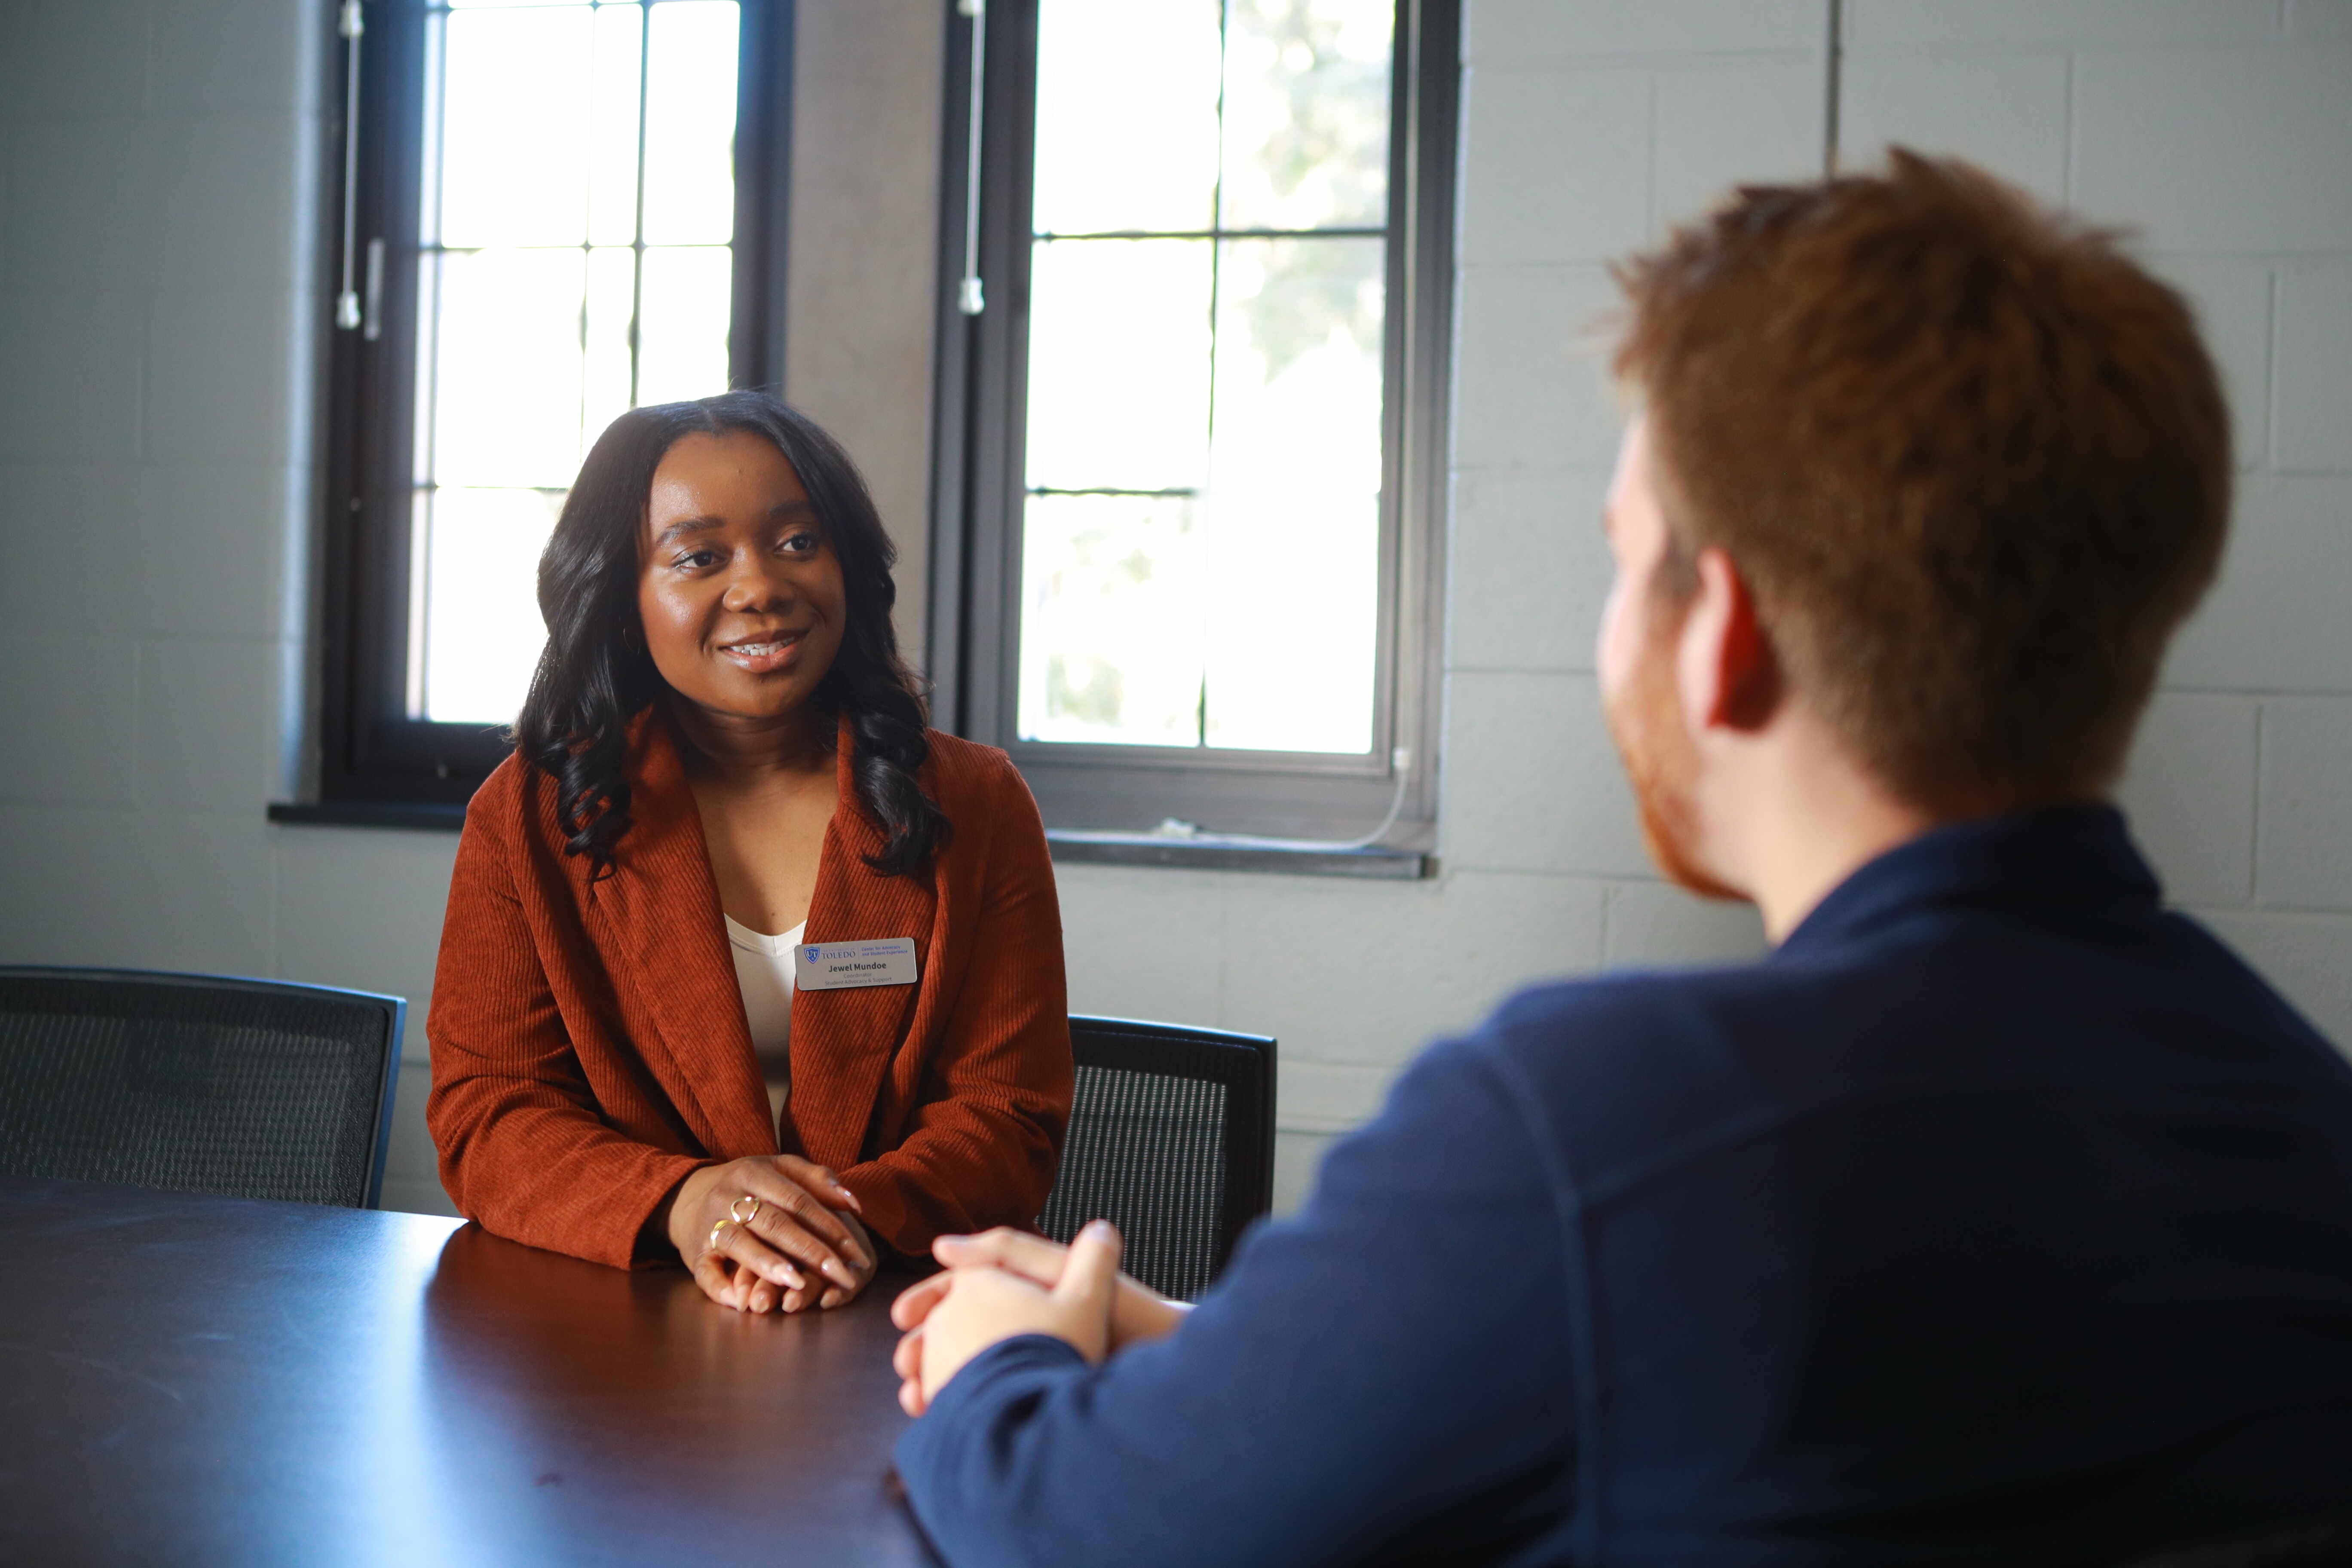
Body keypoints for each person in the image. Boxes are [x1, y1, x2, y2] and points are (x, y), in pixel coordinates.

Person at [885, 153, 2352, 1564]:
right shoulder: (2302, 1109)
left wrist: (997, 1363)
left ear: (1727, 636)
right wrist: (1214, 1348)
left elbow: (1076, 1520)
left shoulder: (1591, 1129)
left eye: (1621, 554)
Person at [428, 392, 1072, 1316]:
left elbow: (1007, 1115)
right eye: (699, 557)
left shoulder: (974, 803)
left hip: (898, 1312)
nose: (762, 585)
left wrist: (835, 1224)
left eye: (798, 542)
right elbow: (488, 1112)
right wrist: (686, 1204)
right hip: (625, 1332)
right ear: (623, 596)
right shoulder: (527, 818)